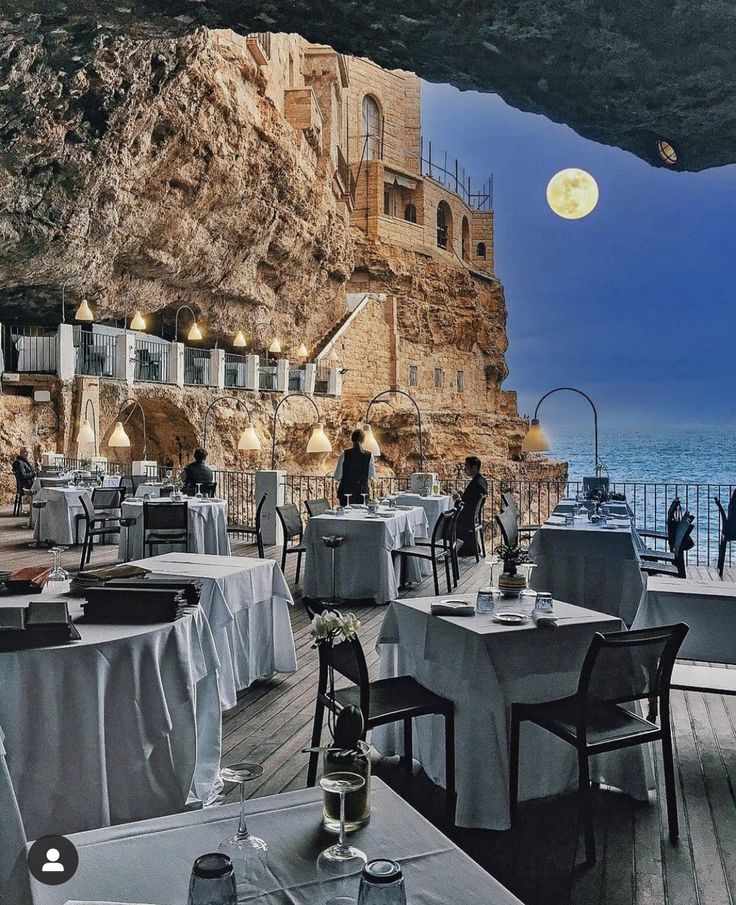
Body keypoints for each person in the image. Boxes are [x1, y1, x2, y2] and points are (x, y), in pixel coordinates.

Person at [453, 455, 488, 557]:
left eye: (467, 467)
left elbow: (466, 507)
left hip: (467, 517)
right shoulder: (481, 481)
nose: (465, 470)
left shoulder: (476, 484)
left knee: (447, 520)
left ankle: (455, 549)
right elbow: (471, 500)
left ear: (475, 468)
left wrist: (457, 500)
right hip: (473, 516)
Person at [334, 429, 376, 506]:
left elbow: (337, 476)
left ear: (352, 440)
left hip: (346, 491)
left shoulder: (344, 454)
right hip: (362, 491)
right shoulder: (369, 455)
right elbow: (371, 476)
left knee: (345, 515)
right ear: (363, 440)